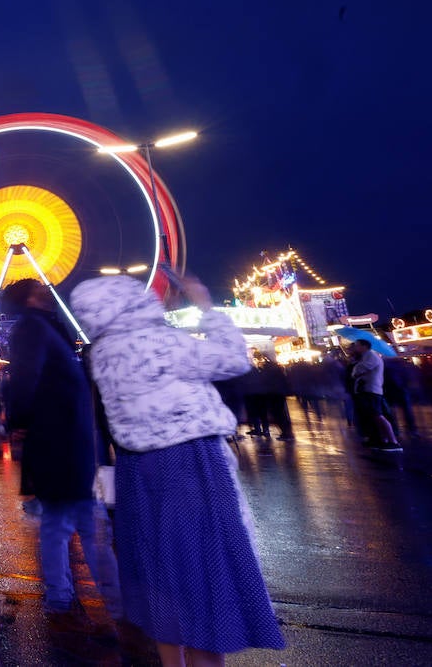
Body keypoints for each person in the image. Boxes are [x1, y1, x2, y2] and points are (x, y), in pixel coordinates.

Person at [70, 274, 285, 664]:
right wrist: (204, 305)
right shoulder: (161, 342)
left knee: (160, 576)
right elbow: (234, 359)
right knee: (204, 571)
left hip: (138, 469)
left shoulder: (101, 353)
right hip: (189, 462)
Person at [2, 278, 121, 628]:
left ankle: (74, 599)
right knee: (79, 525)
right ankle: (108, 605)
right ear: (30, 298)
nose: (48, 291)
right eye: (41, 288)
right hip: (62, 444)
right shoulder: (34, 329)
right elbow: (26, 377)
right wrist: (18, 419)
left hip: (69, 443)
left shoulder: (45, 329)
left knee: (73, 524)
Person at [350, 339, 400, 451]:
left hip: (372, 390)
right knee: (375, 416)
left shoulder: (371, 356)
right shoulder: (366, 356)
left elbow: (360, 370)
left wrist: (356, 368)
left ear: (364, 346)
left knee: (378, 415)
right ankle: (384, 440)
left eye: (357, 345)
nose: (355, 348)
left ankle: (393, 441)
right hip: (369, 390)